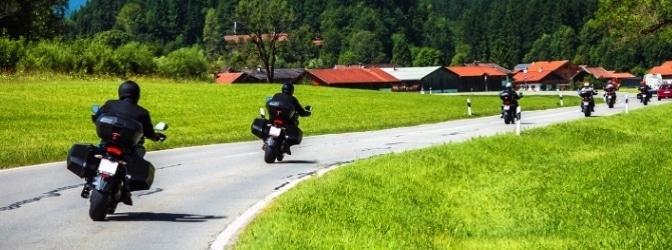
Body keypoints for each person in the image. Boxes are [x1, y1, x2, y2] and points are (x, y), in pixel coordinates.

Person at [89, 80, 166, 205]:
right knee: (137, 157)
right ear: (137, 94)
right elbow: (149, 132)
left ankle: (92, 176)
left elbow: (97, 116)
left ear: (121, 92)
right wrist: (155, 137)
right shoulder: (142, 112)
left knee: (98, 149)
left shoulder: (110, 104)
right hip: (127, 147)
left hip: (108, 143)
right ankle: (126, 190)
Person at [266, 83, 311, 155]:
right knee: (294, 124)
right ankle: (287, 146)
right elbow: (301, 111)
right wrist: (306, 113)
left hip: (274, 118)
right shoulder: (293, 99)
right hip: (285, 121)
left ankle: (266, 140)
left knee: (269, 123)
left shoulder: (276, 95)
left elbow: (268, 104)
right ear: (292, 91)